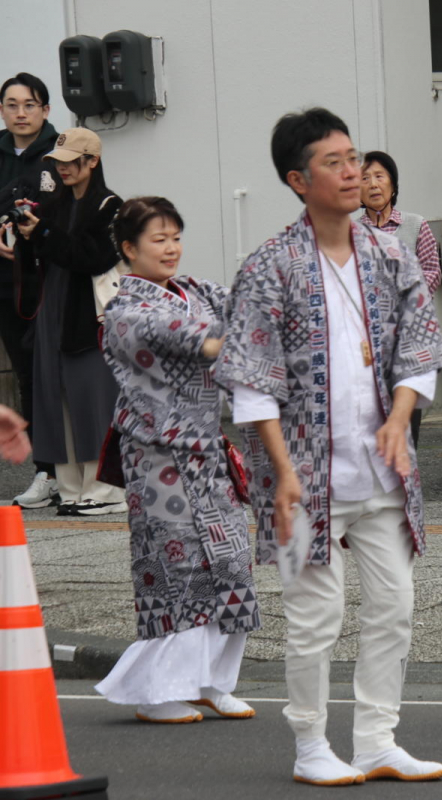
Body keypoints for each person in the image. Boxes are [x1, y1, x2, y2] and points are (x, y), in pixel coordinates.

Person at [216, 108, 442, 786]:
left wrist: (400, 417)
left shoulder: (390, 253)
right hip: (305, 476)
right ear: (298, 179)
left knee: (395, 606)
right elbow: (252, 386)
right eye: (334, 162)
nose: (354, 171)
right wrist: (282, 474)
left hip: (383, 469)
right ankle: (311, 744)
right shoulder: (270, 265)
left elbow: (420, 349)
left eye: (355, 158)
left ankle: (377, 738)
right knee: (315, 618)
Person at [94, 196, 259, 723]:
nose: (170, 249)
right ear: (128, 249)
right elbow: (184, 338)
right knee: (177, 569)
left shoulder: (198, 292)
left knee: (232, 564)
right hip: (156, 457)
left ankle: (211, 681)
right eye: (157, 240)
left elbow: (247, 305)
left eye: (175, 238)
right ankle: (158, 692)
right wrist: (226, 340)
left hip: (208, 452)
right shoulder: (124, 312)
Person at [12, 127, 125, 516]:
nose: (62, 170)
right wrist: (27, 233)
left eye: (70, 162)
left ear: (92, 160)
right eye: (57, 163)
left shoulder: (110, 206)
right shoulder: (55, 205)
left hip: (88, 315)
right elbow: (44, 251)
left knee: (93, 399)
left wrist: (43, 231)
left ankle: (108, 489)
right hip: (53, 311)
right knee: (56, 399)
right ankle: (71, 488)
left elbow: (93, 256)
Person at [0, 72, 61, 507]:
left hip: (49, 279)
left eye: (30, 104)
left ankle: (71, 468)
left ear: (46, 109)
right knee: (24, 372)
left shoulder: (62, 152)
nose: (21, 113)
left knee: (53, 373)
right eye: (12, 104)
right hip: (6, 282)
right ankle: (45, 470)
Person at [359, 149, 442, 446]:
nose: (372, 184)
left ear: (393, 184)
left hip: (408, 338)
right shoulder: (350, 232)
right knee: (369, 419)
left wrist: (408, 303)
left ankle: (405, 487)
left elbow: (432, 270)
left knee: (406, 423)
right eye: (365, 178)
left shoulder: (415, 225)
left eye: (379, 176)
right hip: (367, 342)